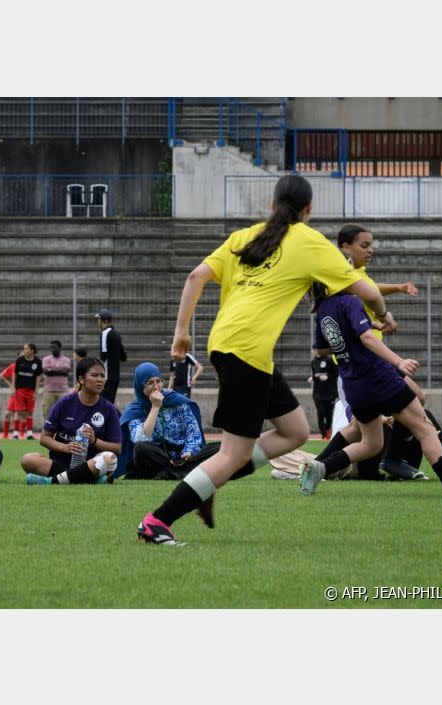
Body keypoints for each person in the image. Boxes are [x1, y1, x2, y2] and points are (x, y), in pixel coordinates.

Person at [136, 173, 396, 546]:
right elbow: (367, 290)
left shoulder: (245, 236)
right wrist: (384, 314)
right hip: (246, 350)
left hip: (229, 344)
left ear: (273, 204)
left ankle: (209, 479)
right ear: (309, 209)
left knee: (294, 430)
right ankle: (158, 520)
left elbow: (195, 277)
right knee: (232, 454)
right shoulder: (310, 242)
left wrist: (182, 331)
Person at [299, 280, 442, 499]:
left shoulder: (323, 310)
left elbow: (320, 349)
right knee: (424, 427)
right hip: (377, 377)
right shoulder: (350, 301)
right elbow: (366, 338)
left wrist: (358, 334)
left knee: (371, 444)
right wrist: (399, 362)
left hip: (353, 384)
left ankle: (320, 467)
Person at [335, 223, 442, 484]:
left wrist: (397, 288)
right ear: (345, 247)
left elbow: (371, 287)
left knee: (411, 404)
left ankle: (396, 460)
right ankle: (330, 464)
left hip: (373, 358)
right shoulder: (342, 277)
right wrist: (384, 316)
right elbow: (369, 294)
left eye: (371, 245)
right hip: (362, 361)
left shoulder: (357, 273)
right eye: (365, 245)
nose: (371, 250)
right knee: (368, 427)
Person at [20, 357, 121, 485]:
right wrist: (65, 447)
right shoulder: (64, 403)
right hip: (62, 463)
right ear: (81, 379)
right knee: (28, 459)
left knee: (109, 459)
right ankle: (90, 479)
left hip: (91, 464)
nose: (100, 379)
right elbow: (44, 438)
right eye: (94, 375)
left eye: (102, 376)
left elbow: (117, 448)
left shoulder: (109, 409)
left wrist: (95, 440)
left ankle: (51, 481)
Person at [120, 362, 220, 480]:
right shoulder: (135, 410)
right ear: (139, 386)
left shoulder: (175, 401)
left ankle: (171, 472)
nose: (156, 387)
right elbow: (141, 439)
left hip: (182, 455)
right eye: (150, 383)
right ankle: (182, 471)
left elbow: (193, 432)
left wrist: (188, 452)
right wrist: (155, 407)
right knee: (140, 448)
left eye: (158, 381)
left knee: (220, 448)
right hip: (155, 458)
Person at [5, 343, 43, 439]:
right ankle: (15, 433)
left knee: (29, 412)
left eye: (26, 349)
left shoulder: (37, 361)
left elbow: (38, 376)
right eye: (24, 349)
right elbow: (14, 374)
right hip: (20, 389)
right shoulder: (19, 360)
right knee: (19, 411)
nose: (24, 350)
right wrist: (13, 387)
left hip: (31, 390)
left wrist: (36, 391)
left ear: (32, 350)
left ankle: (29, 433)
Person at [95, 309, 127, 406]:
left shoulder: (105, 333)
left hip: (106, 376)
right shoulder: (116, 334)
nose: (97, 322)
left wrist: (96, 372)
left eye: (99, 319)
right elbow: (123, 356)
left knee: (103, 404)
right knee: (109, 403)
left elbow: (103, 355)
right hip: (115, 376)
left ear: (104, 321)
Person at [308, 349, 338, 440]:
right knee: (320, 413)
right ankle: (324, 435)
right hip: (317, 393)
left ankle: (328, 429)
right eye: (313, 350)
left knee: (328, 414)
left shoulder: (329, 360)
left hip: (329, 393)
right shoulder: (313, 362)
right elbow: (315, 374)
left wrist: (328, 376)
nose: (314, 351)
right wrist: (312, 378)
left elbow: (336, 373)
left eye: (316, 349)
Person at [40, 340, 73, 419]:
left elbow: (65, 371)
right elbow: (46, 371)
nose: (52, 349)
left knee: (64, 412)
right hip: (49, 391)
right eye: (51, 348)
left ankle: (62, 430)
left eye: (54, 347)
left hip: (63, 390)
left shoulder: (66, 360)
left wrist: (51, 369)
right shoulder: (46, 359)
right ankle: (48, 430)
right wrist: (59, 370)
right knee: (47, 413)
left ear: (60, 348)